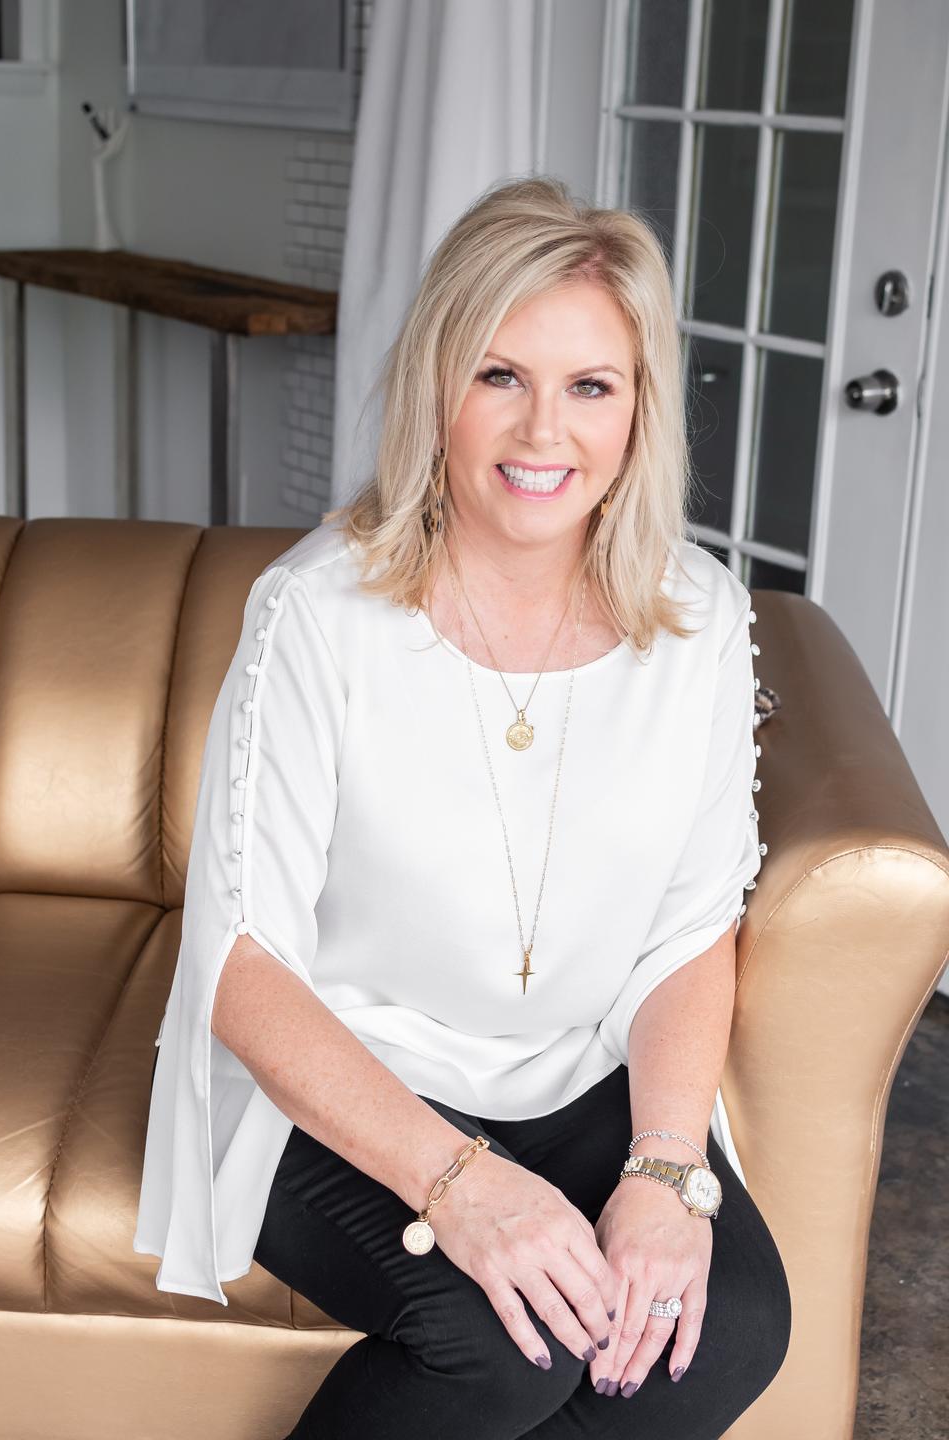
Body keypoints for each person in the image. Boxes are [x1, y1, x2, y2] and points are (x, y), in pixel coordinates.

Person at [134, 175, 791, 1439]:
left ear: (640, 408)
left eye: (590, 385)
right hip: (334, 1078)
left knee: (725, 1332)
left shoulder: (700, 620)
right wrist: (461, 1184)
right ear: (439, 386)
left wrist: (665, 1171)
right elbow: (245, 966)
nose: (544, 431)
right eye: (500, 375)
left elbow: (690, 929)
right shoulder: (318, 615)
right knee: (504, 1352)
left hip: (576, 1069)